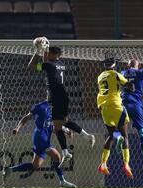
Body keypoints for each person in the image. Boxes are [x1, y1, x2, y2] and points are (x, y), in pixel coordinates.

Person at [28, 38, 95, 166]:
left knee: (62, 122)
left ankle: (86, 137)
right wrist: (44, 53)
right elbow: (46, 66)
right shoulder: (62, 64)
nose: (47, 55)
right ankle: (66, 152)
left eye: (49, 53)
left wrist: (38, 52)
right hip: (62, 96)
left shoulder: (49, 64)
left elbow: (31, 66)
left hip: (56, 96)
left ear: (54, 54)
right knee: (58, 124)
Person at [3, 101, 77, 188]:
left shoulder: (56, 109)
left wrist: (66, 131)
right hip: (41, 137)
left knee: (35, 165)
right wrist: (17, 128)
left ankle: (11, 169)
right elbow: (26, 117)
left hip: (43, 138)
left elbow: (51, 126)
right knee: (57, 157)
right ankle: (62, 181)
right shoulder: (40, 106)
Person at [97, 57, 133, 179]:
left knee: (110, 135)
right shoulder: (116, 75)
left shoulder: (100, 76)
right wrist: (130, 84)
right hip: (116, 105)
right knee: (125, 135)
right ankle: (126, 164)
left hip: (104, 107)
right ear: (114, 65)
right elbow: (128, 85)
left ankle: (103, 163)